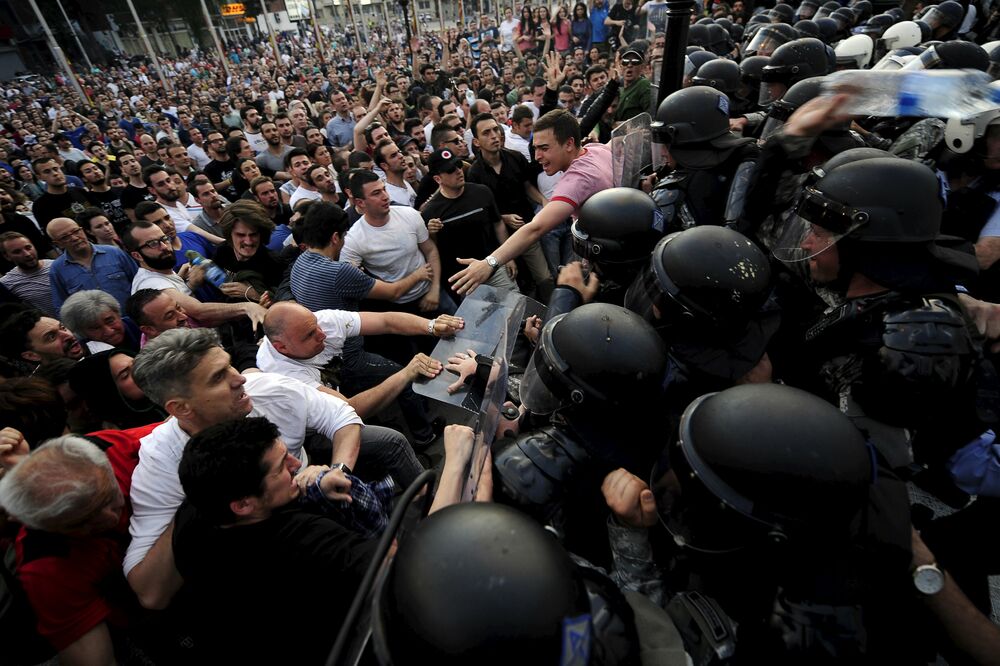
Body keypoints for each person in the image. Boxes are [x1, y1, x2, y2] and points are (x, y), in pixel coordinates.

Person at [124, 327, 412, 610]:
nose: (239, 379)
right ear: (181, 408)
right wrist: (202, 492)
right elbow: (151, 593)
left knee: (390, 444)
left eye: (229, 365)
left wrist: (338, 470)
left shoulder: (265, 388)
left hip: (319, 496)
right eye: (217, 378)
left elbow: (342, 415)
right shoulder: (161, 462)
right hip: (267, 546)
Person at [172, 417, 378, 663]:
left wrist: (308, 489)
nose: (297, 463)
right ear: (244, 504)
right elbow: (404, 566)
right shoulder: (304, 539)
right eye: (281, 467)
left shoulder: (194, 515)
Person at [0, 432, 162, 664]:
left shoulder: (107, 449)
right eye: (86, 518)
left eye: (108, 496)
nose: (110, 516)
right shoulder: (46, 565)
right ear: (50, 526)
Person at [450, 110, 612, 295]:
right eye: (535, 149)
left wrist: (490, 263)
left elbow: (535, 228)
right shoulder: (598, 150)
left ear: (569, 144)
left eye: (544, 148)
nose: (537, 157)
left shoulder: (575, 181)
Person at [122, 219, 266, 331]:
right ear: (137, 255)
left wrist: (187, 284)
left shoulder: (163, 272)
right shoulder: (151, 285)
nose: (165, 247)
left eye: (164, 239)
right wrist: (247, 307)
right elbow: (199, 313)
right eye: (153, 244)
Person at [343, 170, 450, 315]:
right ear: (360, 202)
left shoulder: (409, 214)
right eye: (376, 193)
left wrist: (435, 289)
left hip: (432, 292)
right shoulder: (354, 240)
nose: (385, 196)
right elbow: (351, 282)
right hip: (399, 309)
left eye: (384, 189)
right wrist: (416, 277)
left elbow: (430, 250)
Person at [46, 217, 137, 313]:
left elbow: (139, 282)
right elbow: (61, 308)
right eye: (65, 237)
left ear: (82, 230)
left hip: (133, 319)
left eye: (76, 231)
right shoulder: (57, 269)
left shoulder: (114, 253)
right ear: (58, 244)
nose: (74, 238)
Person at [60, 289, 141, 353]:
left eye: (110, 321)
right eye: (95, 328)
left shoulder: (141, 325)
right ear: (81, 332)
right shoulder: (82, 353)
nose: (109, 331)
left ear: (118, 313)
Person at [0, 231, 57, 317]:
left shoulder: (58, 266)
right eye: (17, 252)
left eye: (28, 247)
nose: (27, 254)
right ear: (7, 256)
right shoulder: (7, 283)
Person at [30, 157, 91, 227]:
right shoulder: (41, 205)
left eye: (56, 169)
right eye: (47, 172)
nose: (55, 173)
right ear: (39, 177)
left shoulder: (80, 191)